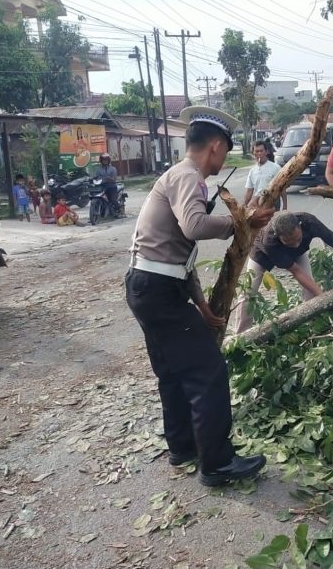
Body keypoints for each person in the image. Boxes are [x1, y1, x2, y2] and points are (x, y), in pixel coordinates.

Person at [125, 105, 274, 487]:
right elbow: (194, 226)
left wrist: (204, 307)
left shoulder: (179, 176)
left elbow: (181, 256)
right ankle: (218, 464)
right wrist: (242, 222)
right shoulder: (188, 176)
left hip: (152, 286)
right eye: (225, 150)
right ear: (215, 146)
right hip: (157, 291)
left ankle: (183, 446)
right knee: (209, 371)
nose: (223, 158)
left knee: (173, 372)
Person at [234, 211, 333, 333]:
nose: (295, 244)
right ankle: (241, 337)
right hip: (261, 255)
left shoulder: (310, 222)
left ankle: (312, 329)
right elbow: (296, 271)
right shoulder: (269, 241)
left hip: (297, 254)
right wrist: (323, 296)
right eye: (289, 242)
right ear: (279, 237)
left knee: (310, 293)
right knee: (248, 295)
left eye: (298, 239)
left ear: (300, 226)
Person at [244, 141, 287, 211]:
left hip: (272, 202)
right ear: (253, 153)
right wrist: (244, 206)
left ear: (266, 152)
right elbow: (249, 190)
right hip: (258, 202)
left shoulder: (275, 168)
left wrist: (285, 206)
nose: (259, 153)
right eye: (257, 151)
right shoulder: (252, 171)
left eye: (261, 151)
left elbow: (282, 188)